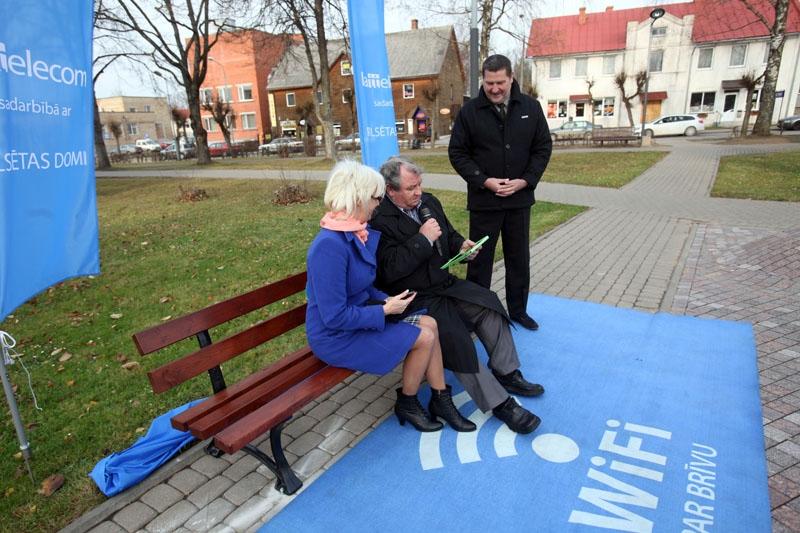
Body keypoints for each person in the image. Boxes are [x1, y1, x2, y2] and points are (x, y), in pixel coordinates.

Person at [370, 156, 543, 435]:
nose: (418, 192)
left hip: (443, 283)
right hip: (414, 297)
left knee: (488, 304)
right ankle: (501, 405)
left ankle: (507, 372)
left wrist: (462, 246)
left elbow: (448, 235)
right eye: (411, 188)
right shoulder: (378, 219)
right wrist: (422, 239)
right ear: (390, 190)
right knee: (456, 339)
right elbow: (388, 271)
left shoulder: (428, 202)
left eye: (419, 184)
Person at [305, 160, 475, 433]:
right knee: (424, 336)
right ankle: (407, 401)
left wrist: (389, 300)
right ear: (358, 198)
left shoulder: (354, 233)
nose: (378, 204)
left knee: (430, 323)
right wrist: (384, 310)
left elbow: (363, 286)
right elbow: (334, 317)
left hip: (360, 317)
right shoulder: (329, 246)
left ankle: (441, 398)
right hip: (336, 337)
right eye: (376, 197)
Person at [448, 54, 553, 331]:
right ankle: (476, 315)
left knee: (518, 259)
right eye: (489, 83)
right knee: (479, 261)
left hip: (519, 201)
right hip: (484, 202)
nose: (494, 89)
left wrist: (525, 181)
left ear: (511, 78)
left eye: (500, 83)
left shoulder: (530, 107)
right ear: (483, 80)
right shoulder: (470, 112)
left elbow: (543, 148)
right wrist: (484, 181)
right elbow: (457, 153)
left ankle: (518, 311)